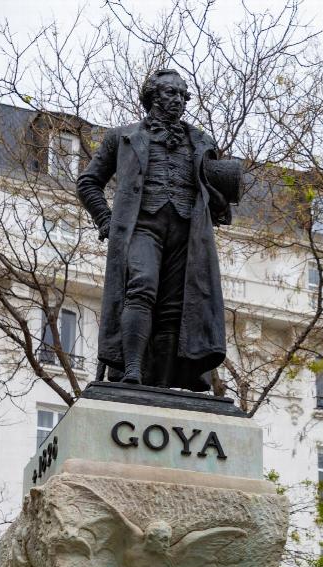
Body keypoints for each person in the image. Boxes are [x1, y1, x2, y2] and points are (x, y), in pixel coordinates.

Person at [77, 68, 240, 391]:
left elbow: (213, 192)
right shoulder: (121, 137)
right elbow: (88, 182)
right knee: (141, 287)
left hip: (186, 233)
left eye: (182, 95)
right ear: (153, 96)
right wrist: (106, 220)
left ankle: (163, 385)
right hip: (143, 227)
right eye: (170, 93)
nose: (178, 100)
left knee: (174, 308)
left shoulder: (201, 141)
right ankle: (131, 370)